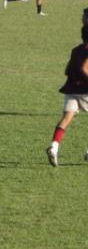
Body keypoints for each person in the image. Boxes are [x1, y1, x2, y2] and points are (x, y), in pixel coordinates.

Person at [45, 25, 88, 167]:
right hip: (84, 90)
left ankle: (54, 146)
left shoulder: (76, 50)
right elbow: (84, 68)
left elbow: (67, 70)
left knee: (66, 118)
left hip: (71, 89)